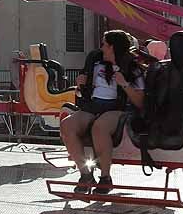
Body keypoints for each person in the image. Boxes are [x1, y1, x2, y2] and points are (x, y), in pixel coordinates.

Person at [59, 30, 145, 195]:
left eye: (105, 45)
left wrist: (125, 84)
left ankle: (105, 178)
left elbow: (140, 101)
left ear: (113, 47)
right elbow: (80, 93)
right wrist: (80, 85)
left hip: (119, 108)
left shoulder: (132, 68)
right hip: (94, 105)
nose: (102, 48)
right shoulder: (96, 63)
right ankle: (85, 175)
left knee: (100, 127)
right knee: (67, 125)